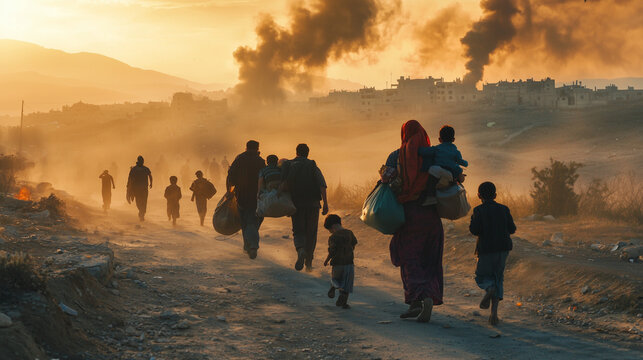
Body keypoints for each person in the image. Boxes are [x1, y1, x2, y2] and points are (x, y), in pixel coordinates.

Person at [382, 120, 443, 323]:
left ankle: (419, 298)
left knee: (410, 259)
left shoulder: (396, 156)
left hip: (409, 215)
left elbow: (386, 179)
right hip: (432, 216)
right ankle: (426, 297)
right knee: (430, 259)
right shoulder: (434, 154)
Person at [469, 181, 516, 326]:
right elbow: (512, 229)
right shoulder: (504, 209)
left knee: (482, 277)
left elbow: (474, 230)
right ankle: (494, 314)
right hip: (503, 249)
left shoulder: (478, 210)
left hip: (486, 250)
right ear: (495, 195)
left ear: (479, 195)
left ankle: (489, 289)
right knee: (498, 278)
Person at [280, 143, 329, 272]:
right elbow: (322, 185)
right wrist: (325, 203)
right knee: (311, 233)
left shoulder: (289, 165)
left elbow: (283, 184)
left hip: (296, 204)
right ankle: (308, 262)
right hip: (313, 204)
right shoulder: (312, 165)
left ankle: (300, 249)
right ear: (308, 153)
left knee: (298, 230)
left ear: (296, 152)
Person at [227, 141, 266, 259]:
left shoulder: (239, 159)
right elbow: (265, 179)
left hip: (242, 196)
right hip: (257, 196)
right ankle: (252, 245)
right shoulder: (260, 161)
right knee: (254, 220)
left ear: (246, 148)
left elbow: (230, 177)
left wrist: (229, 192)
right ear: (257, 148)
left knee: (245, 221)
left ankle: (249, 244)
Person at [323, 214, 357, 309]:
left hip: (337, 264)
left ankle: (333, 287)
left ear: (333, 227)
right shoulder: (349, 233)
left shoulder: (333, 237)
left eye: (329, 230)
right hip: (349, 263)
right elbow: (354, 243)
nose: (330, 232)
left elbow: (332, 251)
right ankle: (344, 302)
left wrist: (327, 260)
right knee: (347, 284)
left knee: (336, 279)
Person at [126, 155, 153, 221]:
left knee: (143, 201)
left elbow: (150, 176)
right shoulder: (134, 169)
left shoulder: (144, 168)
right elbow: (130, 178)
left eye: (142, 160)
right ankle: (141, 212)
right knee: (139, 201)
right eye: (141, 160)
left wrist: (151, 183)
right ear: (139, 161)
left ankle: (142, 213)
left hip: (143, 188)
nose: (142, 161)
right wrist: (128, 185)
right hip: (137, 188)